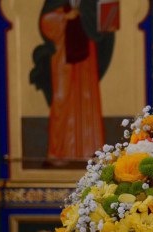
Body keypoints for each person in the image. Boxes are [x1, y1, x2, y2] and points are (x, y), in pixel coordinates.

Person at [32, 0, 114, 165]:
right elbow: (46, 21)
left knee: (87, 100)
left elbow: (103, 25)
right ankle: (59, 153)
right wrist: (65, 17)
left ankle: (90, 152)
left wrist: (107, 20)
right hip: (63, 56)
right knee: (62, 100)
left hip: (87, 58)